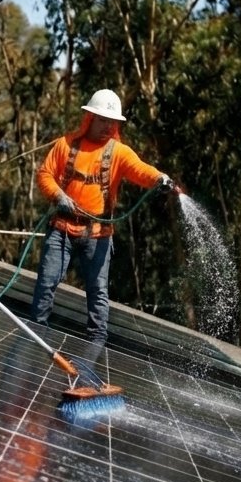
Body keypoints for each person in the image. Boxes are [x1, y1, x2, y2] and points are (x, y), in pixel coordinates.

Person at [31, 89, 175, 344]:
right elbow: (45, 174)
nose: (107, 126)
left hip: (98, 234)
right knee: (47, 281)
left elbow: (141, 170)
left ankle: (97, 344)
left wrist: (159, 178)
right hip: (62, 227)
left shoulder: (118, 152)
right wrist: (58, 196)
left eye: (112, 121)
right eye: (102, 120)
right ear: (89, 118)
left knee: (97, 292)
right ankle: (36, 334)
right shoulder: (66, 144)